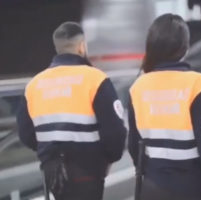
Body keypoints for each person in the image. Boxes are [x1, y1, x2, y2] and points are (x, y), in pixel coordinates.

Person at [128, 14, 201, 200]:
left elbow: (134, 147)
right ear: (184, 46)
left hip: (152, 188)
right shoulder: (198, 84)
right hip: (192, 188)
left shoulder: (138, 87)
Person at [17, 22, 127, 200]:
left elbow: (25, 133)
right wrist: (108, 159)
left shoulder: (34, 84)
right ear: (82, 46)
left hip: (52, 173)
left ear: (57, 48)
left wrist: (48, 153)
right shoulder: (95, 79)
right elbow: (115, 132)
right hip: (88, 170)